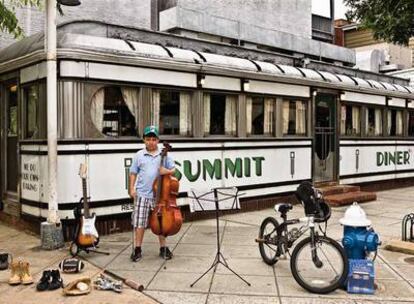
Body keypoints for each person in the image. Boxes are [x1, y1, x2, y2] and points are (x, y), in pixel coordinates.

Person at [128, 125, 175, 262]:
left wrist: (165, 171)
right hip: (142, 194)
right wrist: (131, 189)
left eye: (154, 139)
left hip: (159, 197)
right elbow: (133, 173)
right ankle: (137, 249)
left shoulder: (164, 154)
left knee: (161, 223)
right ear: (144, 140)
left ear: (158, 140)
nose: (151, 142)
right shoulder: (139, 155)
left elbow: (173, 170)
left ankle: (163, 248)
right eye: (148, 139)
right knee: (140, 223)